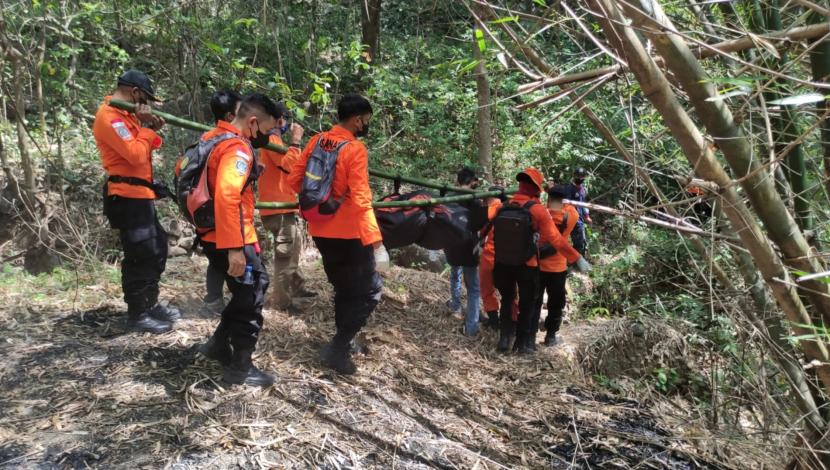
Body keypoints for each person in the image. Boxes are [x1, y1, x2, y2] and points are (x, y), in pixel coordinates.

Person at [288, 93, 387, 375]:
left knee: (344, 288)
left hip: (319, 229)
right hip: (350, 234)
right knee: (370, 291)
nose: (367, 124)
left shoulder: (315, 141)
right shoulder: (354, 149)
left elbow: (295, 181)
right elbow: (361, 198)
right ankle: (339, 346)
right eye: (367, 120)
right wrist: (377, 243)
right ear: (358, 120)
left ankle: (344, 342)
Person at [196, 93, 281, 387]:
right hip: (231, 235)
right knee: (251, 296)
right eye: (268, 130)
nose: (268, 137)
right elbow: (228, 195)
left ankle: (218, 344)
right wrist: (235, 248)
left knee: (250, 290)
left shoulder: (212, 137)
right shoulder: (238, 150)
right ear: (253, 122)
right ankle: (240, 368)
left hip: (213, 232)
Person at [93, 69, 180, 334]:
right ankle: (137, 314)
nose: (150, 104)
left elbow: (149, 146)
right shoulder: (110, 117)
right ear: (135, 93)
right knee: (139, 253)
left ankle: (150, 304)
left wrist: (149, 129)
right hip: (127, 196)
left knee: (157, 248)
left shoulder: (128, 116)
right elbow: (135, 155)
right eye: (147, 99)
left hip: (142, 195)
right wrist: (145, 128)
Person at [492, 168, 589, 354]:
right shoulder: (538, 210)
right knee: (527, 304)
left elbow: (490, 230)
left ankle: (504, 340)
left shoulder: (503, 206)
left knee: (507, 300)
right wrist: (577, 257)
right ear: (537, 189)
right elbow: (557, 239)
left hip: (503, 263)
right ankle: (523, 344)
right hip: (528, 265)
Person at [258, 103, 316, 314]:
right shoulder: (271, 140)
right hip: (278, 209)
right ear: (279, 120)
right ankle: (281, 300)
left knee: (293, 247)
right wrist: (296, 141)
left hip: (283, 207)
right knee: (285, 254)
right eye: (285, 120)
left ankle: (297, 287)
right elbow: (292, 167)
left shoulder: (273, 140)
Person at [203, 90, 243, 314]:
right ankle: (230, 330)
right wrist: (235, 246)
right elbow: (228, 194)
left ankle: (213, 302)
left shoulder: (207, 138)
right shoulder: (233, 145)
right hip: (226, 226)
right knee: (250, 289)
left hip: (206, 219)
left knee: (216, 264)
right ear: (230, 116)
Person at [534, 184, 579, 347]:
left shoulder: (540, 213)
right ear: (563, 199)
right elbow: (570, 207)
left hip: (538, 264)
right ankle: (551, 336)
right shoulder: (570, 215)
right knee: (555, 302)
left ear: (549, 198)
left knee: (534, 300)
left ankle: (530, 335)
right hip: (558, 267)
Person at [444, 167, 482, 337]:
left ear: (458, 180)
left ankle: (455, 304)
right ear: (473, 181)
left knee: (455, 273)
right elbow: (479, 224)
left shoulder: (447, 197)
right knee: (473, 287)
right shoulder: (474, 199)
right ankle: (471, 326)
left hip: (451, 242)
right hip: (468, 246)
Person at [478, 187, 515, 330]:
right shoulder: (513, 209)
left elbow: (481, 231)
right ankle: (512, 321)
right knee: (511, 293)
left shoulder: (491, 210)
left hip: (489, 256)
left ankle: (494, 321)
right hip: (508, 258)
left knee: (487, 289)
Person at [565, 167, 592, 256]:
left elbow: (585, 204)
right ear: (574, 176)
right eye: (578, 176)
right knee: (578, 242)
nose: (580, 178)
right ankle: (574, 262)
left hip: (580, 219)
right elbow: (566, 205)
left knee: (582, 242)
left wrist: (587, 215)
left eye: (582, 177)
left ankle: (577, 261)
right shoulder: (569, 189)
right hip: (571, 219)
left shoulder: (583, 189)